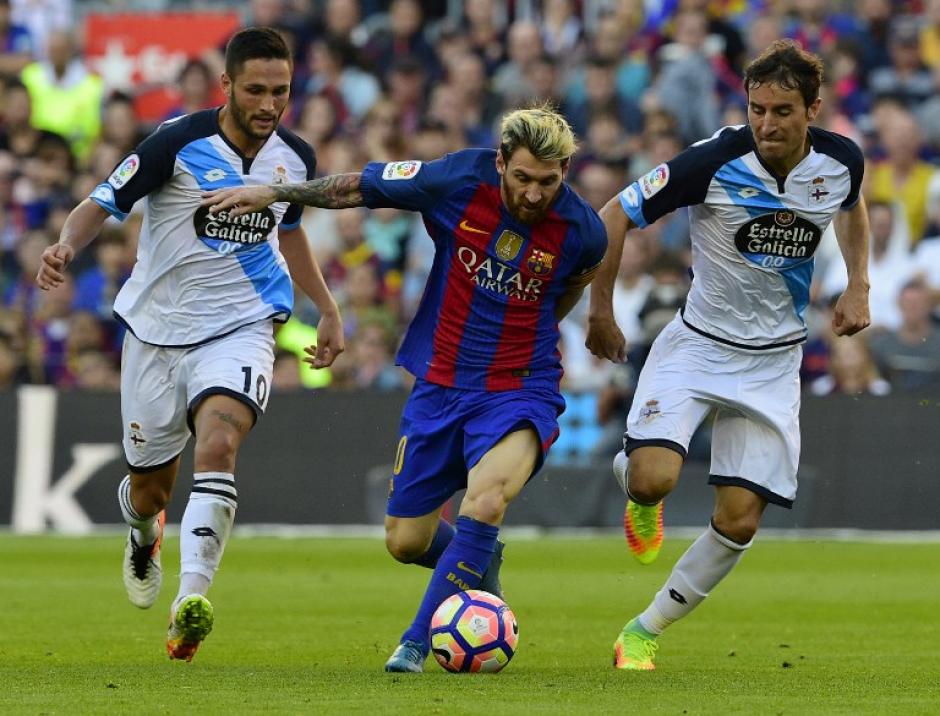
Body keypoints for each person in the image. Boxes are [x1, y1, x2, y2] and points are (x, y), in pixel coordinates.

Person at [202, 105, 607, 672]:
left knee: (485, 501)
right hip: (441, 384)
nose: (535, 194)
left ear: (565, 170)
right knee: (405, 541)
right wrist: (276, 193)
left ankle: (417, 642)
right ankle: (479, 559)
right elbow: (358, 187)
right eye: (522, 178)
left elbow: (562, 296)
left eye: (549, 181)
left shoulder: (584, 231)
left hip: (520, 387)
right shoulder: (457, 181)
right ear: (500, 163)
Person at [35, 27, 344, 662]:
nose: (268, 105)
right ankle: (143, 532)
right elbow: (103, 199)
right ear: (227, 85)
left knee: (221, 441)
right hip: (156, 331)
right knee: (150, 488)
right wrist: (67, 243)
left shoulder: (295, 156)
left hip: (244, 322)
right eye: (255, 90)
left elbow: (288, 235)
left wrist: (328, 307)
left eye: (280, 92)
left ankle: (190, 602)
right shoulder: (177, 141)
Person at [586, 39, 871, 671]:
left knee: (740, 521)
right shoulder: (712, 161)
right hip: (697, 347)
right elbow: (613, 214)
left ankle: (643, 630)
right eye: (757, 109)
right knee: (655, 478)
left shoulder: (840, 161)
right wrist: (600, 311)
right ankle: (636, 488)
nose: (766, 123)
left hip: (773, 363)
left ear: (812, 110)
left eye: (782, 111)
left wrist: (858, 285)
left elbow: (851, 211)